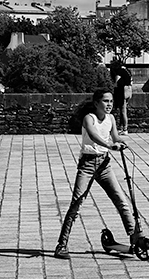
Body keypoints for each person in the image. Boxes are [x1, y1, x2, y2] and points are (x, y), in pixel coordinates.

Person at [54, 87, 136, 259]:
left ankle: (135, 237)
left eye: (111, 101)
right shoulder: (89, 118)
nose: (109, 104)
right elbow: (93, 135)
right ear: (96, 103)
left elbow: (115, 137)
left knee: (121, 200)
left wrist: (121, 142)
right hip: (88, 164)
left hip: (104, 164)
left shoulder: (111, 118)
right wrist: (109, 145)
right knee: (77, 203)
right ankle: (61, 245)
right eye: (106, 101)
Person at [110, 59, 133, 133]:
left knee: (123, 111)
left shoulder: (119, 72)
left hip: (123, 91)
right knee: (123, 110)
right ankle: (122, 127)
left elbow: (116, 83)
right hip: (129, 90)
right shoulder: (127, 71)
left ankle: (125, 129)